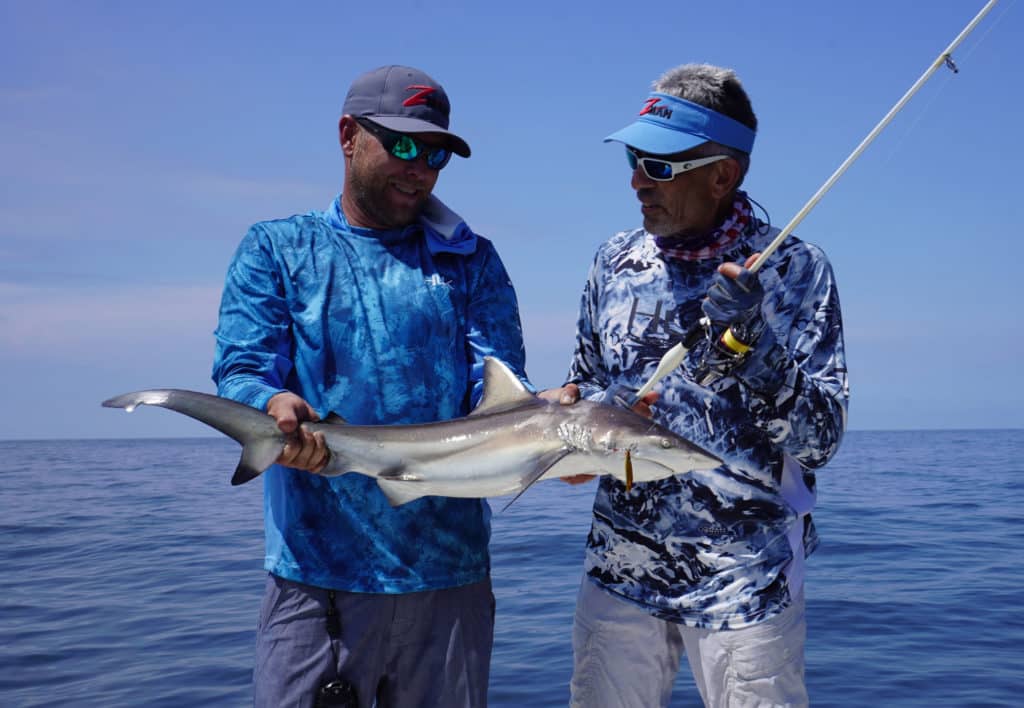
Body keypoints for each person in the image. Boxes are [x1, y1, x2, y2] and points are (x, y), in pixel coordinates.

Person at [211, 65, 530, 708]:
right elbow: (242, 368)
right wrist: (272, 408)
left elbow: (499, 393)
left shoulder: (472, 261)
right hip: (318, 578)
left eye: (436, 153)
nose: (420, 168)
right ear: (348, 135)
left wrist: (551, 436)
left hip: (450, 581)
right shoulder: (279, 248)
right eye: (403, 146)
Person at [559, 64, 849, 707]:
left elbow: (822, 438)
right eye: (635, 159)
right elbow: (584, 384)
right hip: (619, 574)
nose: (637, 181)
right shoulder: (612, 261)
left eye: (659, 166)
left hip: (746, 584)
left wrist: (752, 346)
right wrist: (568, 434)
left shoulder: (797, 271)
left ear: (724, 174)